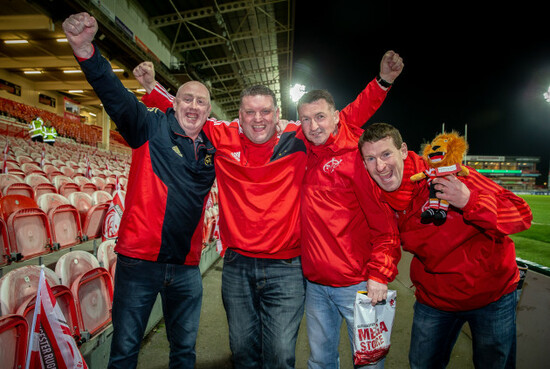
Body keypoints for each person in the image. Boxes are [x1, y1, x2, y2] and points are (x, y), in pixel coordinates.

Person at [135, 51, 400, 369]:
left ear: (277, 115)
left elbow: (343, 118)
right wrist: (152, 88)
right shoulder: (223, 136)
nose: (257, 119)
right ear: (239, 114)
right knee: (243, 352)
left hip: (286, 269)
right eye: (250, 112)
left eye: (264, 112)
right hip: (237, 267)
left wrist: (382, 83)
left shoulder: (296, 137)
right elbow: (185, 113)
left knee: (280, 356)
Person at [62, 12, 216, 369]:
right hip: (138, 263)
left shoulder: (213, 149)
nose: (193, 106)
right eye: (186, 99)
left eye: (200, 102)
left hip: (186, 267)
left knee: (184, 352)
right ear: (173, 104)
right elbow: (114, 95)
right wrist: (85, 49)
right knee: (125, 351)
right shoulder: (148, 125)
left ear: (208, 112)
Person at [358, 123, 533, 369]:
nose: (380, 166)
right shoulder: (377, 197)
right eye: (370, 158)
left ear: (404, 151)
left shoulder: (446, 173)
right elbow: (386, 239)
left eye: (386, 154)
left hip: (491, 294)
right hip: (435, 298)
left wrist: (469, 201)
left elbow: (521, 214)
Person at [297, 88, 402, 369]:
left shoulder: (356, 158)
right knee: (320, 361)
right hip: (316, 286)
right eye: (305, 119)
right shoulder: (302, 154)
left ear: (335, 117)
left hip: (358, 286)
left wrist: (380, 274)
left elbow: (385, 225)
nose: (313, 125)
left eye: (320, 117)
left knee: (369, 363)